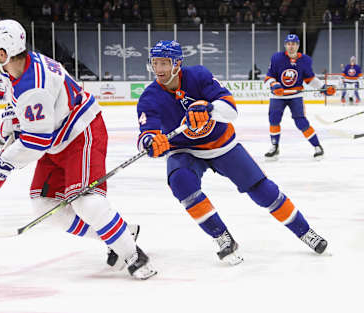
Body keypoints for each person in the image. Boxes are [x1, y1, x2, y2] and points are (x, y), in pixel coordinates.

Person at [0, 19, 156, 280]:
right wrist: (12, 120)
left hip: (82, 131)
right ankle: (122, 232)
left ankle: (133, 255)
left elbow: (37, 142)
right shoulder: (20, 66)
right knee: (46, 208)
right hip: (57, 137)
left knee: (86, 201)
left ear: (3, 52)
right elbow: (22, 108)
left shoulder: (33, 85)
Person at [137, 40, 328, 265]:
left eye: (164, 63)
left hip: (222, 144)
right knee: (180, 182)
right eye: (155, 63)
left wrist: (208, 109)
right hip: (185, 150)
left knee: (262, 190)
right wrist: (151, 143)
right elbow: (145, 136)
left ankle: (304, 231)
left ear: (177, 63)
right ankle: (221, 236)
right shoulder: (149, 97)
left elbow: (230, 111)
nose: (159, 69)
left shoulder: (198, 76)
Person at [264, 34, 336, 160]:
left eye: (294, 44)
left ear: (298, 45)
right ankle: (274, 146)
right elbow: (269, 77)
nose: (291, 46)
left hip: (295, 96)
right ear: (285, 45)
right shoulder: (276, 58)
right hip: (278, 96)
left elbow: (310, 79)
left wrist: (323, 87)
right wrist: (274, 85)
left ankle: (317, 146)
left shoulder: (305, 60)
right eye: (289, 44)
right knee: (274, 120)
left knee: (301, 122)